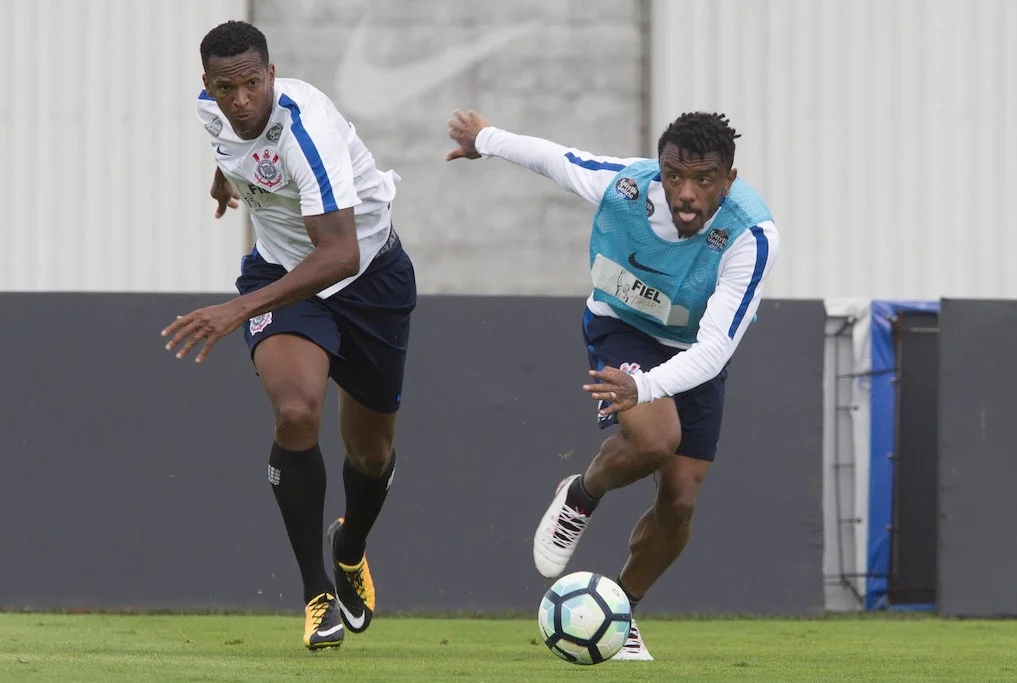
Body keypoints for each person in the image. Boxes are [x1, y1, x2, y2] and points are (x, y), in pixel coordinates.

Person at [446, 109, 779, 660]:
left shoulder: (751, 237)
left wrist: (647, 387)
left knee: (680, 502)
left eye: (704, 180)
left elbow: (715, 349)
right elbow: (556, 159)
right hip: (622, 327)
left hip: (694, 352)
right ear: (660, 168)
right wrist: (485, 139)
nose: (686, 193)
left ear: (729, 179)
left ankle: (618, 611)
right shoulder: (626, 184)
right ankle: (581, 495)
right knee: (653, 440)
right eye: (674, 176)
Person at [162, 20, 415, 651]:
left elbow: (339, 256)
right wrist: (228, 183)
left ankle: (349, 548)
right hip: (280, 271)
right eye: (227, 87)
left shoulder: (307, 132)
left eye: (252, 84)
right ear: (208, 86)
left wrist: (235, 310)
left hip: (365, 277)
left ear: (271, 76)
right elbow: (236, 153)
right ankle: (316, 594)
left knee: (373, 455)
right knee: (297, 412)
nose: (241, 100)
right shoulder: (211, 110)